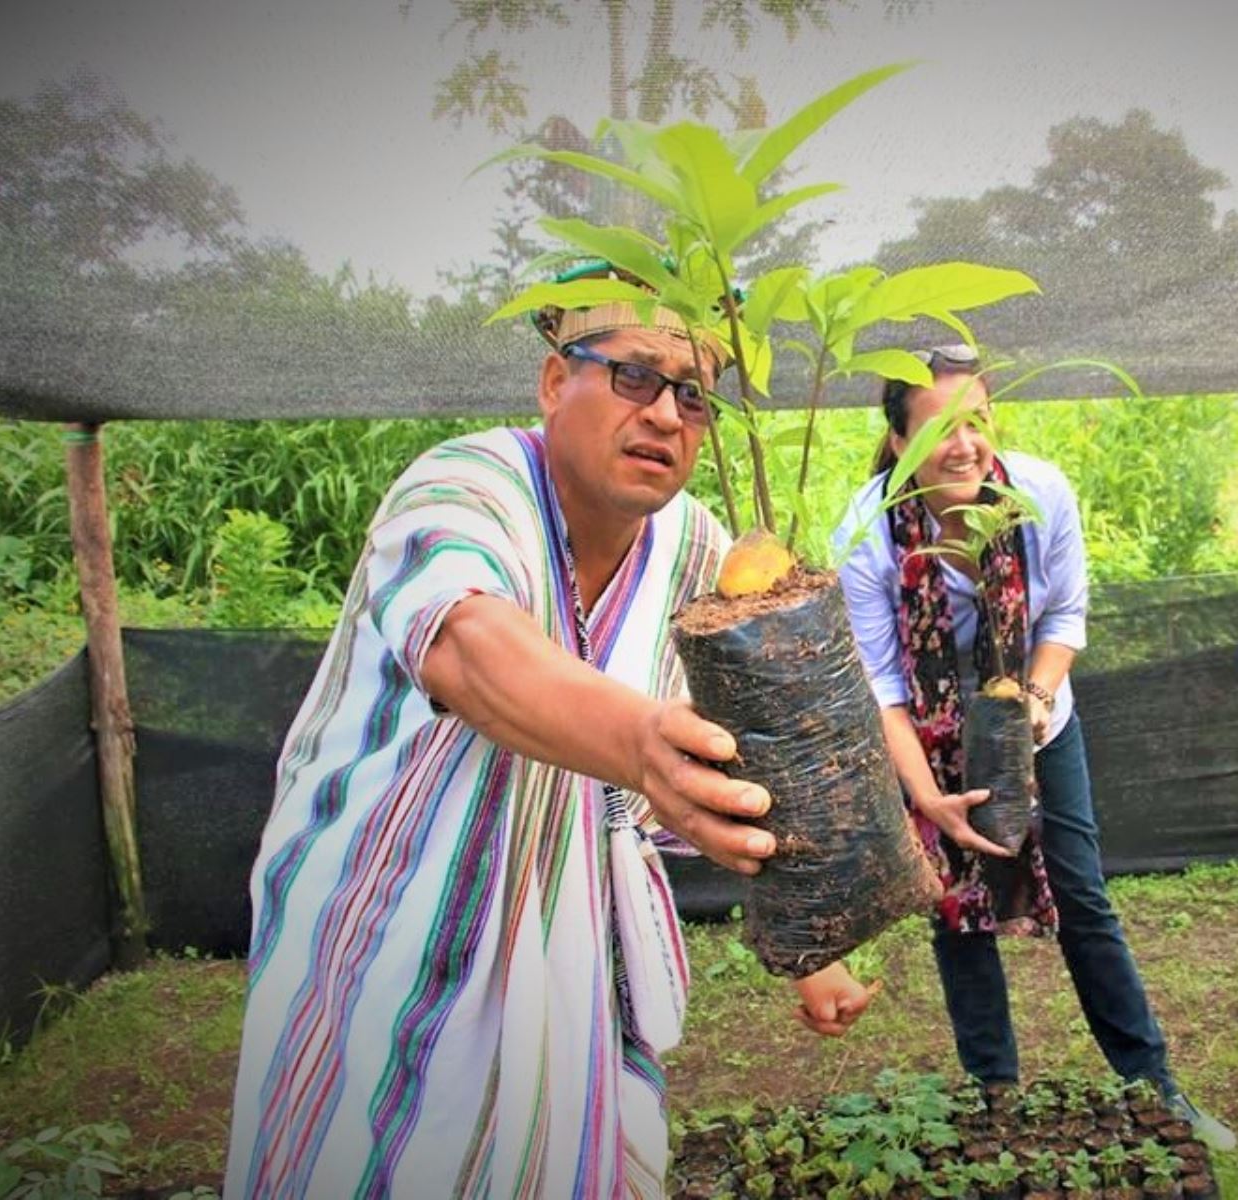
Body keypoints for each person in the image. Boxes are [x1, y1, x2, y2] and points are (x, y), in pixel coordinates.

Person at [226, 269, 874, 1199]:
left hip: (573, 931)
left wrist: (820, 936)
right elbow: (468, 644)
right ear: (550, 382)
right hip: (395, 918)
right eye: (634, 376)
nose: (664, 416)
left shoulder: (692, 542)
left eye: (692, 395)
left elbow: (739, 732)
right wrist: (642, 744)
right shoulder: (466, 484)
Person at [833, 345, 1235, 1152]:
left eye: (977, 420)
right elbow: (882, 688)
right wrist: (930, 801)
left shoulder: (1039, 494)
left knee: (1083, 896)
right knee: (958, 916)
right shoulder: (870, 534)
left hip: (1042, 719)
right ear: (898, 442)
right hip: (933, 736)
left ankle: (1154, 1088)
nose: (965, 444)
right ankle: (994, 1101)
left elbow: (1065, 620)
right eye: (939, 427)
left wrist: (1034, 706)